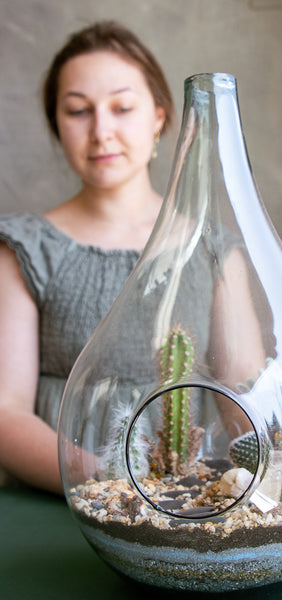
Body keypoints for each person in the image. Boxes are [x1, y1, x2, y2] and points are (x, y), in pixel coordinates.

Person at [0, 21, 174, 494]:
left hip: (193, 507)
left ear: (159, 116)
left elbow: (240, 399)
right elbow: (4, 410)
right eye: (78, 111)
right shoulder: (24, 246)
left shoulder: (212, 245)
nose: (101, 131)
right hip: (53, 501)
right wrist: (110, 484)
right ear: (57, 124)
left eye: (122, 107)